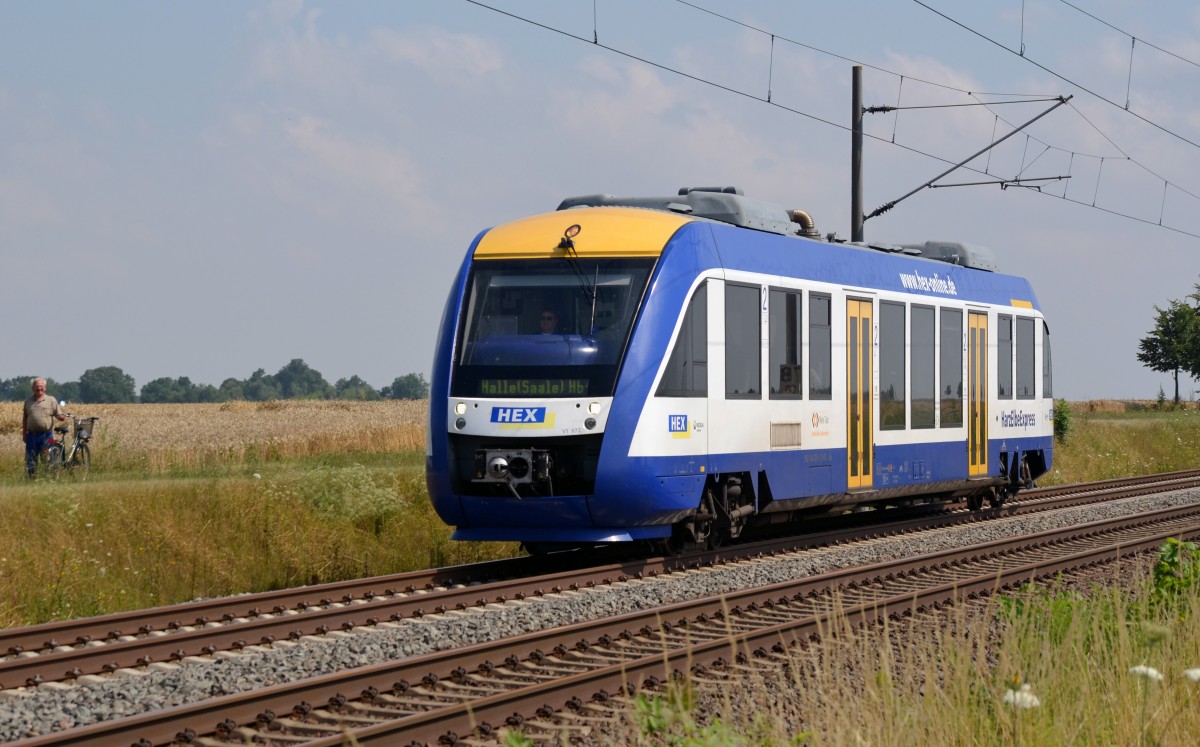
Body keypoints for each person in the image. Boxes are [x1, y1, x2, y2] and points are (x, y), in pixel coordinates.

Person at [22, 378, 66, 478]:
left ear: (45, 388)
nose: (39, 388)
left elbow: (58, 414)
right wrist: (24, 435)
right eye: (36, 386)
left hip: (47, 436)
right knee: (31, 460)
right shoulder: (28, 402)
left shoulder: (51, 400)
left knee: (48, 459)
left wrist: (61, 417)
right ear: (33, 388)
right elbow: (24, 419)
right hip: (31, 436)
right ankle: (31, 479)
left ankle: (49, 478)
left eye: (41, 386)